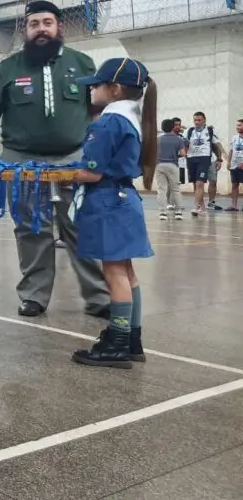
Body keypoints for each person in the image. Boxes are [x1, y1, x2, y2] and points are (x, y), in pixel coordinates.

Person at [0, 0, 109, 319]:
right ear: (26, 29)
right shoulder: (7, 69)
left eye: (47, 23)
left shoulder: (83, 63)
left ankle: (99, 295)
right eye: (35, 24)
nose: (41, 30)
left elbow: (96, 113)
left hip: (74, 157)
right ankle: (34, 294)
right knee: (31, 229)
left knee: (81, 226)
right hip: (21, 160)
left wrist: (98, 154)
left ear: (58, 27)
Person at [70, 58, 157, 368]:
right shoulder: (134, 118)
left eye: (96, 84)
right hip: (125, 198)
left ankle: (117, 345)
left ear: (115, 89)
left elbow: (91, 174)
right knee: (127, 272)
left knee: (114, 273)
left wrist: (56, 175)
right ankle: (132, 339)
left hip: (107, 200)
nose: (91, 89)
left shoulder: (108, 122)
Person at [183, 111, 223, 217]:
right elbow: (184, 144)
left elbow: (216, 146)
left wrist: (219, 159)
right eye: (195, 120)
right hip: (191, 158)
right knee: (195, 184)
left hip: (204, 158)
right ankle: (202, 207)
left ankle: (196, 207)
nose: (197, 122)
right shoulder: (189, 131)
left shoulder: (210, 130)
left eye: (199, 120)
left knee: (200, 183)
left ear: (204, 120)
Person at [155, 118, 186, 220]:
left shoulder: (158, 139)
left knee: (161, 190)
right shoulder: (178, 140)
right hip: (173, 165)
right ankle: (178, 212)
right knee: (175, 189)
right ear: (173, 127)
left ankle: (162, 213)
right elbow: (183, 154)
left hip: (159, 165)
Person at [229, 119, 243, 211]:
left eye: (240, 125)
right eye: (237, 125)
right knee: (234, 185)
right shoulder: (234, 137)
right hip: (235, 164)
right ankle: (234, 205)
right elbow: (231, 150)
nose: (237, 127)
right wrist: (229, 162)